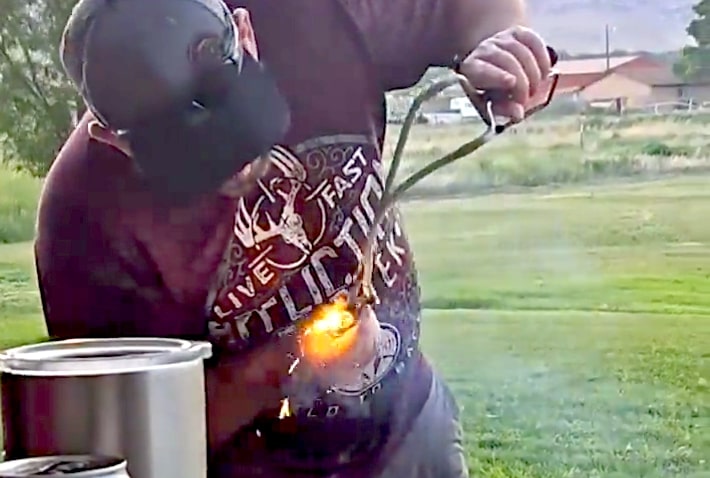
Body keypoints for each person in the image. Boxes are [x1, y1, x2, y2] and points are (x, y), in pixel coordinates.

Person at [36, 0, 552, 476]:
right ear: (114, 140)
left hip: (413, 427)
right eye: (196, 159)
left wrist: (502, 50)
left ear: (246, 32)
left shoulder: (314, 17)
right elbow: (135, 442)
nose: (236, 167)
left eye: (242, 125)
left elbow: (467, 9)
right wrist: (284, 363)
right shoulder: (83, 222)